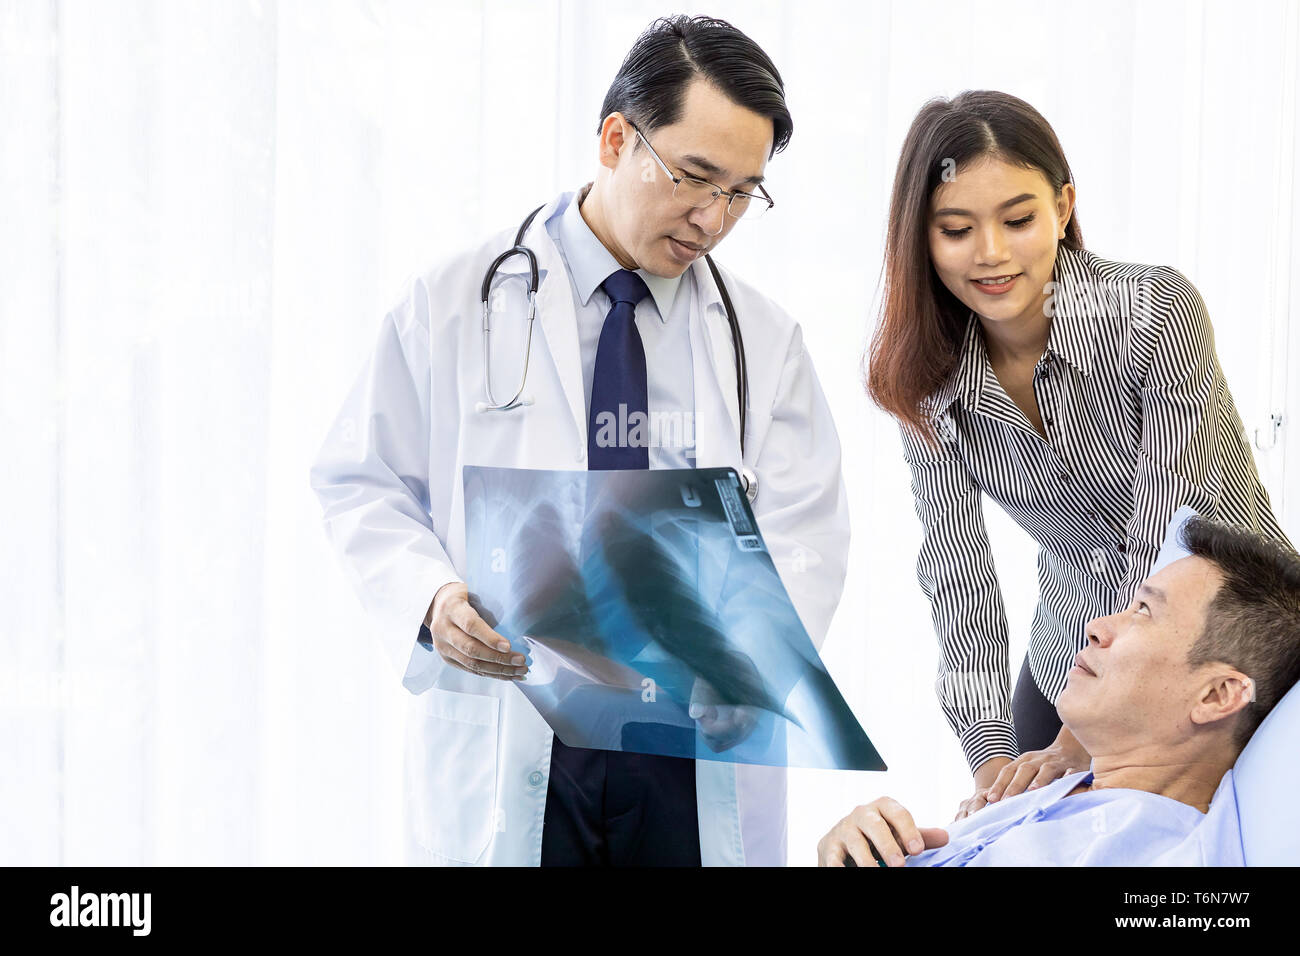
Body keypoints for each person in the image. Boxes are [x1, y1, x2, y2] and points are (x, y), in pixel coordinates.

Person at [309, 15, 850, 866]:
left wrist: (749, 659)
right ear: (615, 140)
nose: (713, 218)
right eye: (695, 177)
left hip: (687, 750)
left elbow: (807, 532)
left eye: (743, 193)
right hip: (518, 728)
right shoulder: (452, 304)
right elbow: (362, 480)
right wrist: (431, 599)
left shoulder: (763, 341)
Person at [864, 90, 1291, 820]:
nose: (991, 253)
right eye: (956, 229)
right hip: (1074, 649)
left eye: (1018, 220)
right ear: (921, 238)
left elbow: (1170, 525)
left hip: (1217, 644)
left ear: (1063, 208)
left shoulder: (1152, 311)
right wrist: (992, 756)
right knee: (1013, 830)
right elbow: (957, 574)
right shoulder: (927, 380)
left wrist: (1081, 740)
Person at [816, 516, 1300, 866]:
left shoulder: (1147, 851)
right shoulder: (1061, 795)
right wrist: (853, 847)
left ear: (1216, 695)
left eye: (1144, 612)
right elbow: (956, 574)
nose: (1095, 625)